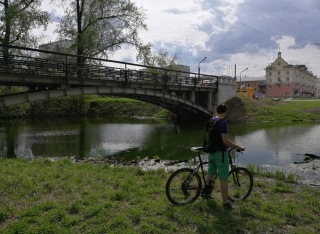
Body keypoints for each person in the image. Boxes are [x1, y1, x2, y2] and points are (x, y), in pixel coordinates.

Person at [202, 103, 245, 211]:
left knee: (210, 173)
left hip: (211, 150)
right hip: (220, 153)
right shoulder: (223, 123)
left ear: (217, 111)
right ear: (225, 112)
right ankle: (225, 203)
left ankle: (206, 193)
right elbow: (225, 141)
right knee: (223, 178)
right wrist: (238, 146)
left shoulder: (211, 120)